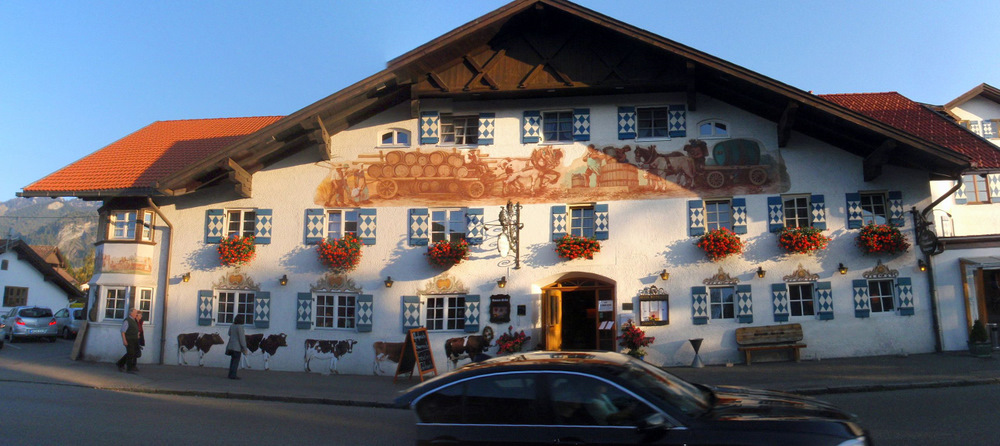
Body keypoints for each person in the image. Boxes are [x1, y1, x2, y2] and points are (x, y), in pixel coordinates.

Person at [116, 308, 141, 373]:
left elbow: (135, 328)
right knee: (130, 353)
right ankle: (129, 368)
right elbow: (123, 331)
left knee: (132, 353)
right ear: (131, 313)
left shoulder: (133, 320)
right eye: (135, 313)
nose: (136, 314)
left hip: (134, 339)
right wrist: (124, 340)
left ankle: (120, 363)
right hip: (129, 339)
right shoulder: (127, 320)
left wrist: (137, 334)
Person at [226, 314, 249, 380]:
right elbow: (242, 339)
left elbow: (229, 334)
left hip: (231, 346)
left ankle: (230, 374)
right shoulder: (240, 327)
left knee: (232, 361)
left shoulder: (232, 326)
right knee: (236, 361)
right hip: (237, 347)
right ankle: (233, 375)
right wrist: (244, 348)